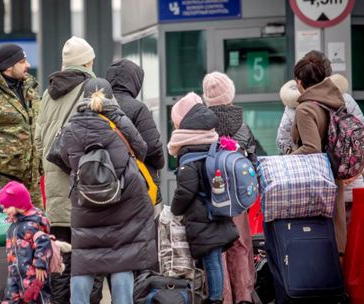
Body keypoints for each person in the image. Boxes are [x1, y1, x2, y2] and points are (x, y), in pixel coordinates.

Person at [58, 78, 157, 304]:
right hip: (123, 200)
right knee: (121, 259)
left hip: (85, 201)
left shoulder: (72, 126)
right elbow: (141, 149)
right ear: (110, 97)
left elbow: (63, 157)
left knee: (84, 261)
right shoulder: (119, 120)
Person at [34, 36, 100, 303]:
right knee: (89, 259)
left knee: (60, 259)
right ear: (87, 61)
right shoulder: (91, 88)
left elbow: (38, 141)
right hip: (84, 189)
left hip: (55, 192)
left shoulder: (48, 94)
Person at [168, 92, 239, 304]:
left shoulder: (189, 157)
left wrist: (174, 209)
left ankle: (215, 298)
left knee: (212, 259)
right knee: (213, 258)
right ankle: (213, 296)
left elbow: (185, 191)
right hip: (215, 211)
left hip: (202, 216)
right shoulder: (211, 145)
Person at [276, 74, 364, 225]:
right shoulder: (344, 99)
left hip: (312, 188)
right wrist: (356, 163)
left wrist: (293, 156)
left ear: (300, 82)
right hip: (349, 184)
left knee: (318, 238)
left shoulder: (295, 106)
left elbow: (282, 142)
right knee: (350, 241)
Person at [202, 72, 256, 304]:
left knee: (217, 249)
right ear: (230, 94)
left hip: (210, 197)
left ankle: (222, 298)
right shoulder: (241, 125)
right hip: (237, 200)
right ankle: (244, 295)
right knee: (240, 244)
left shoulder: (201, 125)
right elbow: (253, 162)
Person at [289, 50, 347, 254]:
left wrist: (287, 159)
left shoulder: (305, 109)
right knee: (335, 230)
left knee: (315, 234)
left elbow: (311, 148)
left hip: (315, 179)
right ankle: (338, 276)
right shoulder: (333, 101)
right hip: (334, 174)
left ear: (299, 81)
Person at [0, 43, 43, 208]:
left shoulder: (30, 89)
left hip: (33, 183)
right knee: (9, 231)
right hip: (5, 184)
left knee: (36, 229)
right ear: (9, 66)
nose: (28, 66)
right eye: (23, 61)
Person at [105, 59, 165, 208]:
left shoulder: (99, 106)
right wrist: (160, 162)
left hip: (106, 185)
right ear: (135, 81)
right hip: (137, 186)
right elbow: (153, 146)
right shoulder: (138, 108)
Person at [1, 181, 52, 304]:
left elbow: (44, 243)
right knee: (10, 299)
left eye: (7, 206)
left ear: (18, 204)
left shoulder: (32, 224)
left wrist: (40, 265)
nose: (4, 210)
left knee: (36, 299)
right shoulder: (14, 224)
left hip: (33, 276)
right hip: (14, 273)